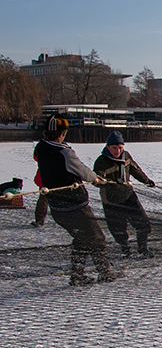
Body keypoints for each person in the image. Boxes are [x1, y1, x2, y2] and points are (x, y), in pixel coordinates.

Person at [33, 114, 117, 286]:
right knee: (96, 238)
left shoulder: (40, 148)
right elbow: (83, 172)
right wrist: (96, 179)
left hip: (57, 207)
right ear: (62, 134)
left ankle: (77, 276)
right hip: (75, 206)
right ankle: (105, 272)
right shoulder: (64, 152)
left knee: (81, 238)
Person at [93, 131, 156, 259]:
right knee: (118, 228)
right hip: (111, 200)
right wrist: (110, 184)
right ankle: (125, 250)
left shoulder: (125, 156)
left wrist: (146, 180)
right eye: (114, 148)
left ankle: (143, 248)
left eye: (120, 147)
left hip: (128, 195)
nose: (117, 151)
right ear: (107, 147)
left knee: (143, 223)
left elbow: (135, 170)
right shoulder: (101, 161)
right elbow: (97, 180)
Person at [32, 155, 48, 227]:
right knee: (43, 200)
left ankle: (39, 219)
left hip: (45, 180)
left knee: (43, 200)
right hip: (46, 180)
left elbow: (36, 156)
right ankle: (40, 219)